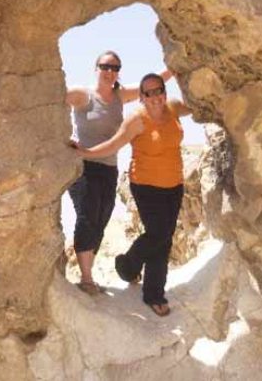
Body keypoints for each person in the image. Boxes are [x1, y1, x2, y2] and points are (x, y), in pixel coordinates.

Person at [74, 72, 191, 316]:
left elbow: (198, 107)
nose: (155, 96)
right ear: (141, 97)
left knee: (163, 237)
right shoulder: (136, 120)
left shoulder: (174, 108)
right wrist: (84, 152)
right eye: (148, 93)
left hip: (174, 184)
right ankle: (144, 283)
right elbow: (113, 145)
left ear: (164, 91)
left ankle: (134, 272)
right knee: (160, 234)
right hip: (146, 185)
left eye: (158, 90)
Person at [65, 51, 171, 295]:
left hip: (109, 167)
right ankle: (87, 278)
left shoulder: (119, 96)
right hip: (83, 166)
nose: (109, 71)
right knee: (87, 215)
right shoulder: (83, 95)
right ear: (96, 68)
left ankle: (88, 275)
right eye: (105, 66)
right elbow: (51, 96)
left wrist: (175, 69)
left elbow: (152, 83)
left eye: (114, 67)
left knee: (102, 218)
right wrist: (64, 138)